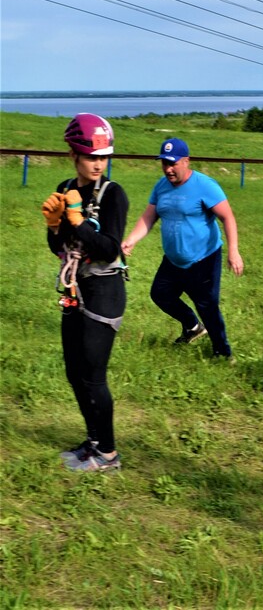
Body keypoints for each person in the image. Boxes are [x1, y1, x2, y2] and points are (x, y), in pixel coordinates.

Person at [42, 113, 129, 471]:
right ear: (73, 156)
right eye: (91, 156)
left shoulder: (113, 195)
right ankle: (93, 442)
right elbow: (60, 247)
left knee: (93, 374)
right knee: (74, 371)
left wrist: (78, 222)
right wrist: (53, 225)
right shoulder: (67, 188)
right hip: (75, 287)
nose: (98, 164)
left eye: (103, 157)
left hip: (105, 290)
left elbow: (110, 248)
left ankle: (108, 454)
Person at [121, 138, 243, 359]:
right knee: (160, 294)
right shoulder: (161, 186)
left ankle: (222, 353)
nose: (168, 169)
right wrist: (131, 240)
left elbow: (228, 218)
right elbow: (149, 217)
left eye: (173, 163)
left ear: (186, 161)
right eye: (164, 163)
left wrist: (233, 251)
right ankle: (192, 326)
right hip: (174, 259)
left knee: (207, 306)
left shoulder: (205, 186)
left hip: (203, 258)